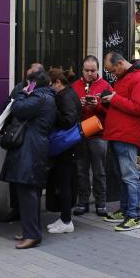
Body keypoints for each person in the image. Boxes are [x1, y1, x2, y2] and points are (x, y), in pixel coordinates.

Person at [0, 70, 56, 249]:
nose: (25, 86)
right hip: (33, 147)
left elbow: (18, 108)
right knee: (27, 192)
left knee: (28, 192)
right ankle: (29, 231)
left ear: (33, 84)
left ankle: (32, 235)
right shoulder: (45, 97)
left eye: (28, 83)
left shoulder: (39, 98)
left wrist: (23, 93)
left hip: (31, 149)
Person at [101, 52, 140, 231]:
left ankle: (133, 215)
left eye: (112, 70)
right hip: (117, 134)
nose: (112, 74)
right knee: (123, 176)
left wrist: (114, 98)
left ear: (121, 63)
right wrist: (106, 101)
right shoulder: (125, 77)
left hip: (127, 135)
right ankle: (125, 210)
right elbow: (123, 104)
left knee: (129, 176)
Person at [0, 62, 45, 225]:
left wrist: (21, 98)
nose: (28, 77)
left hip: (30, 140)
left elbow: (22, 108)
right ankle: (16, 209)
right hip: (15, 136)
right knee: (14, 178)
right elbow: (9, 106)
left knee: (28, 181)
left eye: (31, 75)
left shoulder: (39, 93)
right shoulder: (20, 86)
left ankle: (29, 218)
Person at [71, 56, 112, 216]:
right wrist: (77, 105)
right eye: (87, 70)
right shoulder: (75, 86)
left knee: (99, 170)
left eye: (93, 71)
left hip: (99, 134)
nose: (89, 73)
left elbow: (112, 113)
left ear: (98, 69)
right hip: (80, 134)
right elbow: (68, 111)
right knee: (81, 170)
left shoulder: (105, 86)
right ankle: (83, 202)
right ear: (82, 70)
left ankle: (101, 203)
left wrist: (99, 105)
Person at [47, 68, 81, 234]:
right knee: (64, 182)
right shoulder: (68, 94)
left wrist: (53, 112)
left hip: (66, 146)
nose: (50, 87)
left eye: (51, 84)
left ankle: (66, 220)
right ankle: (64, 218)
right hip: (67, 146)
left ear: (58, 83)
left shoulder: (65, 96)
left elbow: (68, 120)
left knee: (65, 183)